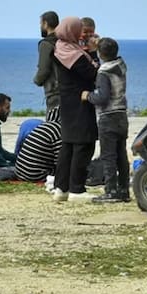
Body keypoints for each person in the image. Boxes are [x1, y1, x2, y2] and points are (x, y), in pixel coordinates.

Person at [52, 16, 99, 203]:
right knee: (84, 143)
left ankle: (61, 188)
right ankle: (76, 189)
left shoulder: (61, 47)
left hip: (67, 101)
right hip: (80, 101)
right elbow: (93, 74)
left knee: (68, 145)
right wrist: (94, 53)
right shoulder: (75, 54)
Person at [81, 38, 130, 203]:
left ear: (100, 54)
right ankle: (124, 189)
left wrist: (88, 96)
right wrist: (101, 42)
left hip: (108, 116)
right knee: (121, 154)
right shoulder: (121, 65)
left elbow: (102, 97)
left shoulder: (103, 72)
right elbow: (110, 50)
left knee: (108, 156)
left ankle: (111, 190)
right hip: (122, 114)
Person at [15, 106, 62, 183]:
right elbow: (61, 162)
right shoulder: (58, 131)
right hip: (34, 175)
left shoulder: (42, 126)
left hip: (19, 172)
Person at [33, 10, 60, 112]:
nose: (40, 27)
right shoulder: (63, 41)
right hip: (66, 89)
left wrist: (37, 80)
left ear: (45, 23)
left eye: (41, 24)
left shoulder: (46, 44)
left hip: (54, 91)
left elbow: (44, 69)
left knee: (52, 123)